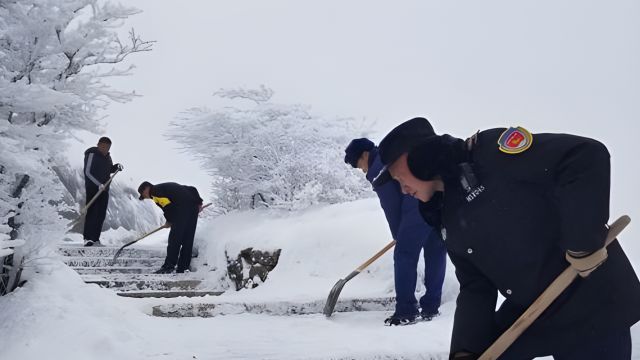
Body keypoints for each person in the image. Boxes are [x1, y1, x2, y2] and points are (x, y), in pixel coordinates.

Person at [373, 117, 640, 359]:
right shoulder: (446, 215)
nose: (402, 189)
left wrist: (584, 243)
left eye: (399, 177)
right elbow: (475, 286)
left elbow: (584, 155)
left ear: (421, 158)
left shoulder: (491, 155)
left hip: (592, 301)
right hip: (538, 309)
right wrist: (465, 351)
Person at [344, 137, 447, 326]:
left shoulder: (379, 167)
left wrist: (398, 236)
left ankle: (406, 311)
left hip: (415, 208)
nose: (363, 171)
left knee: (404, 255)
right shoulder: (396, 154)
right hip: (436, 202)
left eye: (360, 166)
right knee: (436, 252)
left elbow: (391, 206)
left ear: (365, 154)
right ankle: (431, 307)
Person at [138, 181, 203, 274]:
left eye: (143, 195)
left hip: (181, 210)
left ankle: (168, 266)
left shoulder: (154, 192)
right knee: (187, 240)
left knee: (174, 240)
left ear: (146, 188)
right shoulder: (165, 187)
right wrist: (199, 202)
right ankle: (183, 267)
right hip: (193, 209)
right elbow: (192, 189)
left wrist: (169, 221)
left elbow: (168, 207)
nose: (145, 197)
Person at [83, 137, 123, 247]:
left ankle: (95, 239)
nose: (106, 149)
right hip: (93, 188)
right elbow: (87, 172)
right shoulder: (91, 154)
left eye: (108, 147)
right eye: (104, 146)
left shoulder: (108, 157)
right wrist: (98, 184)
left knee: (101, 214)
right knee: (92, 212)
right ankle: (88, 238)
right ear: (98, 144)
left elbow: (109, 169)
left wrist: (116, 167)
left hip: (104, 189)